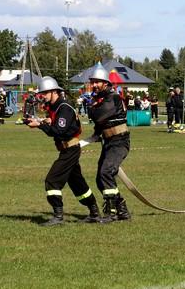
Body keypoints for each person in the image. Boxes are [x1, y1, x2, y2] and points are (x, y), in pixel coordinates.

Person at [27, 76, 100, 226]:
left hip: (70, 150)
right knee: (78, 184)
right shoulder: (55, 107)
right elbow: (57, 126)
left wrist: (39, 125)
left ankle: (58, 216)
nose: (42, 96)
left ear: (54, 92)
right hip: (67, 149)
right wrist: (44, 121)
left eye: (45, 93)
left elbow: (58, 131)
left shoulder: (64, 107)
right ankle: (94, 213)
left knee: (52, 180)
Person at [87, 63, 131, 222]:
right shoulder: (101, 99)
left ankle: (110, 213)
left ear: (105, 83)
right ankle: (122, 210)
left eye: (97, 82)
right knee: (101, 179)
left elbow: (100, 116)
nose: (94, 85)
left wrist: (91, 107)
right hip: (108, 142)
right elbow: (100, 123)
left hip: (119, 141)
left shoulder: (113, 97)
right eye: (92, 82)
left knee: (106, 172)